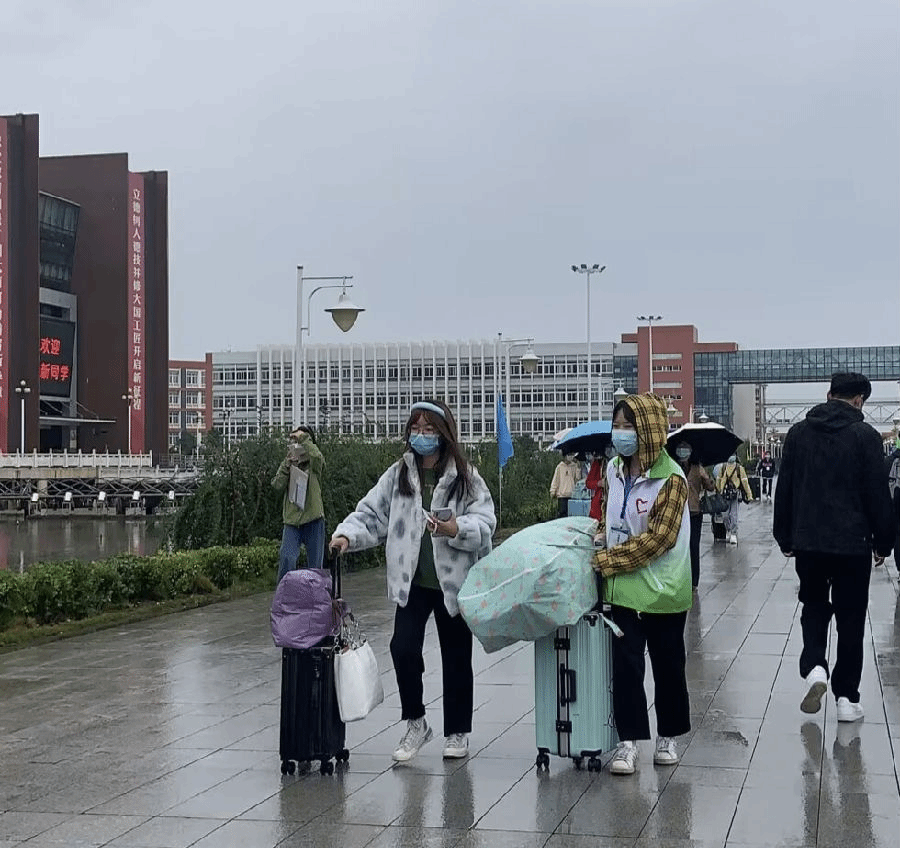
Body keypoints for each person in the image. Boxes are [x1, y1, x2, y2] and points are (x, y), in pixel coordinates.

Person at [329, 400, 496, 762]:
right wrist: (346, 536)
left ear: (444, 433)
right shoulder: (399, 475)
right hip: (413, 583)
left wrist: (456, 528)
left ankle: (457, 731)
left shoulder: (465, 476)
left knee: (456, 657)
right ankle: (416, 722)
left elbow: (486, 522)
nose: (422, 436)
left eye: (429, 429)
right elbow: (371, 514)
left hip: (454, 583)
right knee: (402, 648)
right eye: (416, 429)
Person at [773, 372, 894, 722]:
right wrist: (884, 542)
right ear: (859, 401)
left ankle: (814, 667)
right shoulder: (866, 437)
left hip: (809, 542)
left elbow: (786, 488)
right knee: (851, 619)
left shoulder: (798, 434)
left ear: (829, 395)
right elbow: (877, 495)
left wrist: (784, 536)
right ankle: (846, 699)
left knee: (813, 606)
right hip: (853, 545)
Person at [591, 393, 692, 776]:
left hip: (663, 588)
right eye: (616, 426)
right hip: (623, 588)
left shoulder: (672, 478)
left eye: (628, 426)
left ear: (649, 430)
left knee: (668, 666)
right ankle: (628, 741)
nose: (620, 434)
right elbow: (609, 514)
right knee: (626, 667)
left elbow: (659, 539)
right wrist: (601, 535)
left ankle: (668, 735)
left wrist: (607, 560)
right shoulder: (613, 469)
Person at [273, 425, 326, 582]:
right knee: (287, 559)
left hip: (313, 519)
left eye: (302, 443)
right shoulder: (289, 464)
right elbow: (277, 485)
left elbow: (318, 458)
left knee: (315, 567)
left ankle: (314, 595)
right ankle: (284, 593)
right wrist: (287, 465)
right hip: (292, 521)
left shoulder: (315, 464)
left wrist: (304, 438)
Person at [673, 441, 715, 589]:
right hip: (677, 511)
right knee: (678, 546)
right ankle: (679, 577)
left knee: (693, 545)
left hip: (694, 511)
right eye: (680, 449)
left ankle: (693, 580)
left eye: (686, 449)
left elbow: (711, 487)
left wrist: (705, 476)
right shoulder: (673, 466)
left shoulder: (697, 468)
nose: (683, 452)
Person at [716, 455, 754, 545]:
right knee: (725, 515)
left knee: (734, 515)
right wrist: (718, 491)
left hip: (735, 494)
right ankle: (728, 530)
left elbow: (745, 482)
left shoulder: (739, 468)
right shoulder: (723, 467)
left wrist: (749, 495)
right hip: (724, 494)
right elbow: (718, 480)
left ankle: (733, 533)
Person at [550, 453, 583, 517]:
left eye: (571, 455)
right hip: (562, 496)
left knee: (572, 515)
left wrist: (578, 468)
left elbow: (577, 479)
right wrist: (553, 491)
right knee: (562, 515)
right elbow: (556, 480)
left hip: (572, 495)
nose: (570, 457)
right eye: (569, 455)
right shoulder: (559, 467)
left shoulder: (574, 466)